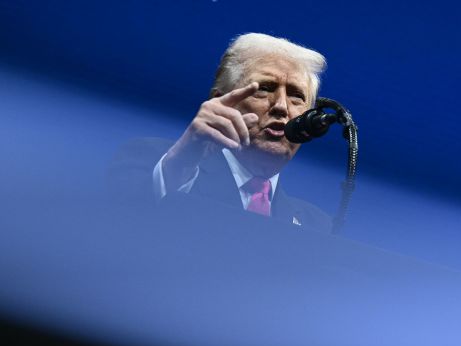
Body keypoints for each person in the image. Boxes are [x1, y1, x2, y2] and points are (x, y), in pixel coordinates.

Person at [109, 33, 332, 232]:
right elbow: (120, 228)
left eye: (296, 96)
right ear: (220, 102)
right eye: (264, 88)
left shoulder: (316, 225)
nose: (282, 106)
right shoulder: (152, 160)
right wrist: (181, 161)